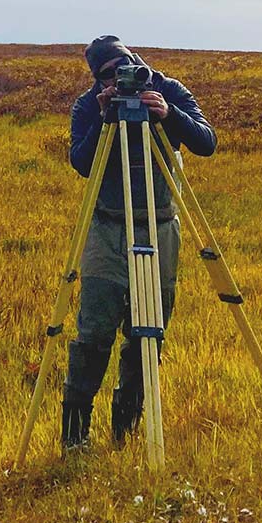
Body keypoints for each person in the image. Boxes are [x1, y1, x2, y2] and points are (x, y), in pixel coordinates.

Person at [62, 35, 216, 453]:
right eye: (108, 76)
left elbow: (207, 141)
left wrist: (168, 115)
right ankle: (75, 435)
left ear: (136, 60)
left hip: (159, 224)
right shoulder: (89, 105)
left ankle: (125, 430)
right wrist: (102, 116)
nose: (120, 80)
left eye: (125, 67)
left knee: (148, 331)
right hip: (107, 228)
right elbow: (80, 162)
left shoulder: (166, 89)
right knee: (93, 331)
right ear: (97, 80)